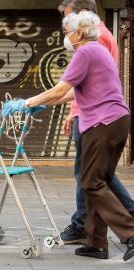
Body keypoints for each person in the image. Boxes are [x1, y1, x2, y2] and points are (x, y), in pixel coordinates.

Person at [1, 11, 134, 261]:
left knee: (90, 182)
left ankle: (130, 233)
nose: (66, 36)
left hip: (101, 123)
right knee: (99, 181)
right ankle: (96, 243)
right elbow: (73, 92)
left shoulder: (84, 51)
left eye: (66, 31)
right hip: (117, 120)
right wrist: (42, 104)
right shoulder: (99, 52)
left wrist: (26, 102)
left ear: (79, 32)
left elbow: (60, 88)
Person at [57, 0, 134, 245]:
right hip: (102, 116)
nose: (66, 31)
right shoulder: (103, 38)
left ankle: (93, 227)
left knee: (89, 177)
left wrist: (27, 104)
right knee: (101, 176)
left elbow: (72, 85)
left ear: (82, 19)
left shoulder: (92, 43)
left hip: (95, 119)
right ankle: (96, 240)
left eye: (68, 22)